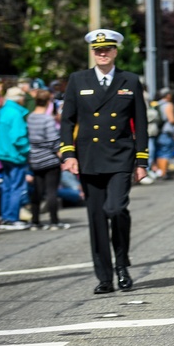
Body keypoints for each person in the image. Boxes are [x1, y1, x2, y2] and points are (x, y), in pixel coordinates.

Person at [60, 29, 149, 294]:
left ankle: (122, 263)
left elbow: (141, 123)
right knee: (97, 218)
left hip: (121, 157)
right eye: (98, 50)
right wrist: (68, 154)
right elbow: (67, 120)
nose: (102, 53)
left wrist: (141, 160)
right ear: (93, 53)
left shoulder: (129, 80)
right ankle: (105, 277)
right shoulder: (78, 80)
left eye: (107, 49)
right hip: (89, 158)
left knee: (116, 210)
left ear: (115, 51)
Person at [27, 89, 67, 229]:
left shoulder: (30, 117)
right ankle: (54, 221)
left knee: (37, 191)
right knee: (51, 192)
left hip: (35, 158)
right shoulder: (47, 119)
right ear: (48, 101)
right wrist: (62, 157)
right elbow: (53, 141)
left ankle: (35, 221)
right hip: (49, 159)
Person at [0, 86, 31, 230]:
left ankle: (6, 216)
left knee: (7, 186)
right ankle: (12, 218)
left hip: (2, 154)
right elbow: (18, 138)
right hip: (15, 155)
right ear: (19, 98)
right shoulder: (15, 113)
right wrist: (28, 149)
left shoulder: (3, 111)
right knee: (16, 187)